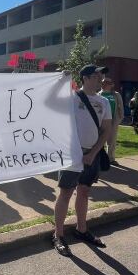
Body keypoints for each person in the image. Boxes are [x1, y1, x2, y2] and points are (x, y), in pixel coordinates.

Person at [52, 64, 111, 256]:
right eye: (96, 76)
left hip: (91, 154)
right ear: (85, 78)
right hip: (72, 155)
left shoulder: (104, 101)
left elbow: (106, 131)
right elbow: (47, 102)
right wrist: (60, 81)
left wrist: (93, 153)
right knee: (66, 193)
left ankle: (81, 229)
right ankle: (58, 235)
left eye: (101, 76)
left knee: (84, 192)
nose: (100, 79)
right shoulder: (71, 98)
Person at [99, 77, 124, 164]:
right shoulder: (98, 94)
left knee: (112, 141)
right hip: (101, 122)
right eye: (103, 82)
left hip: (113, 121)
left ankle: (111, 159)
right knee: (99, 140)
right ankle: (99, 159)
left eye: (107, 82)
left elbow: (121, 107)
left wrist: (119, 119)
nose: (104, 84)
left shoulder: (116, 95)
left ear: (111, 85)